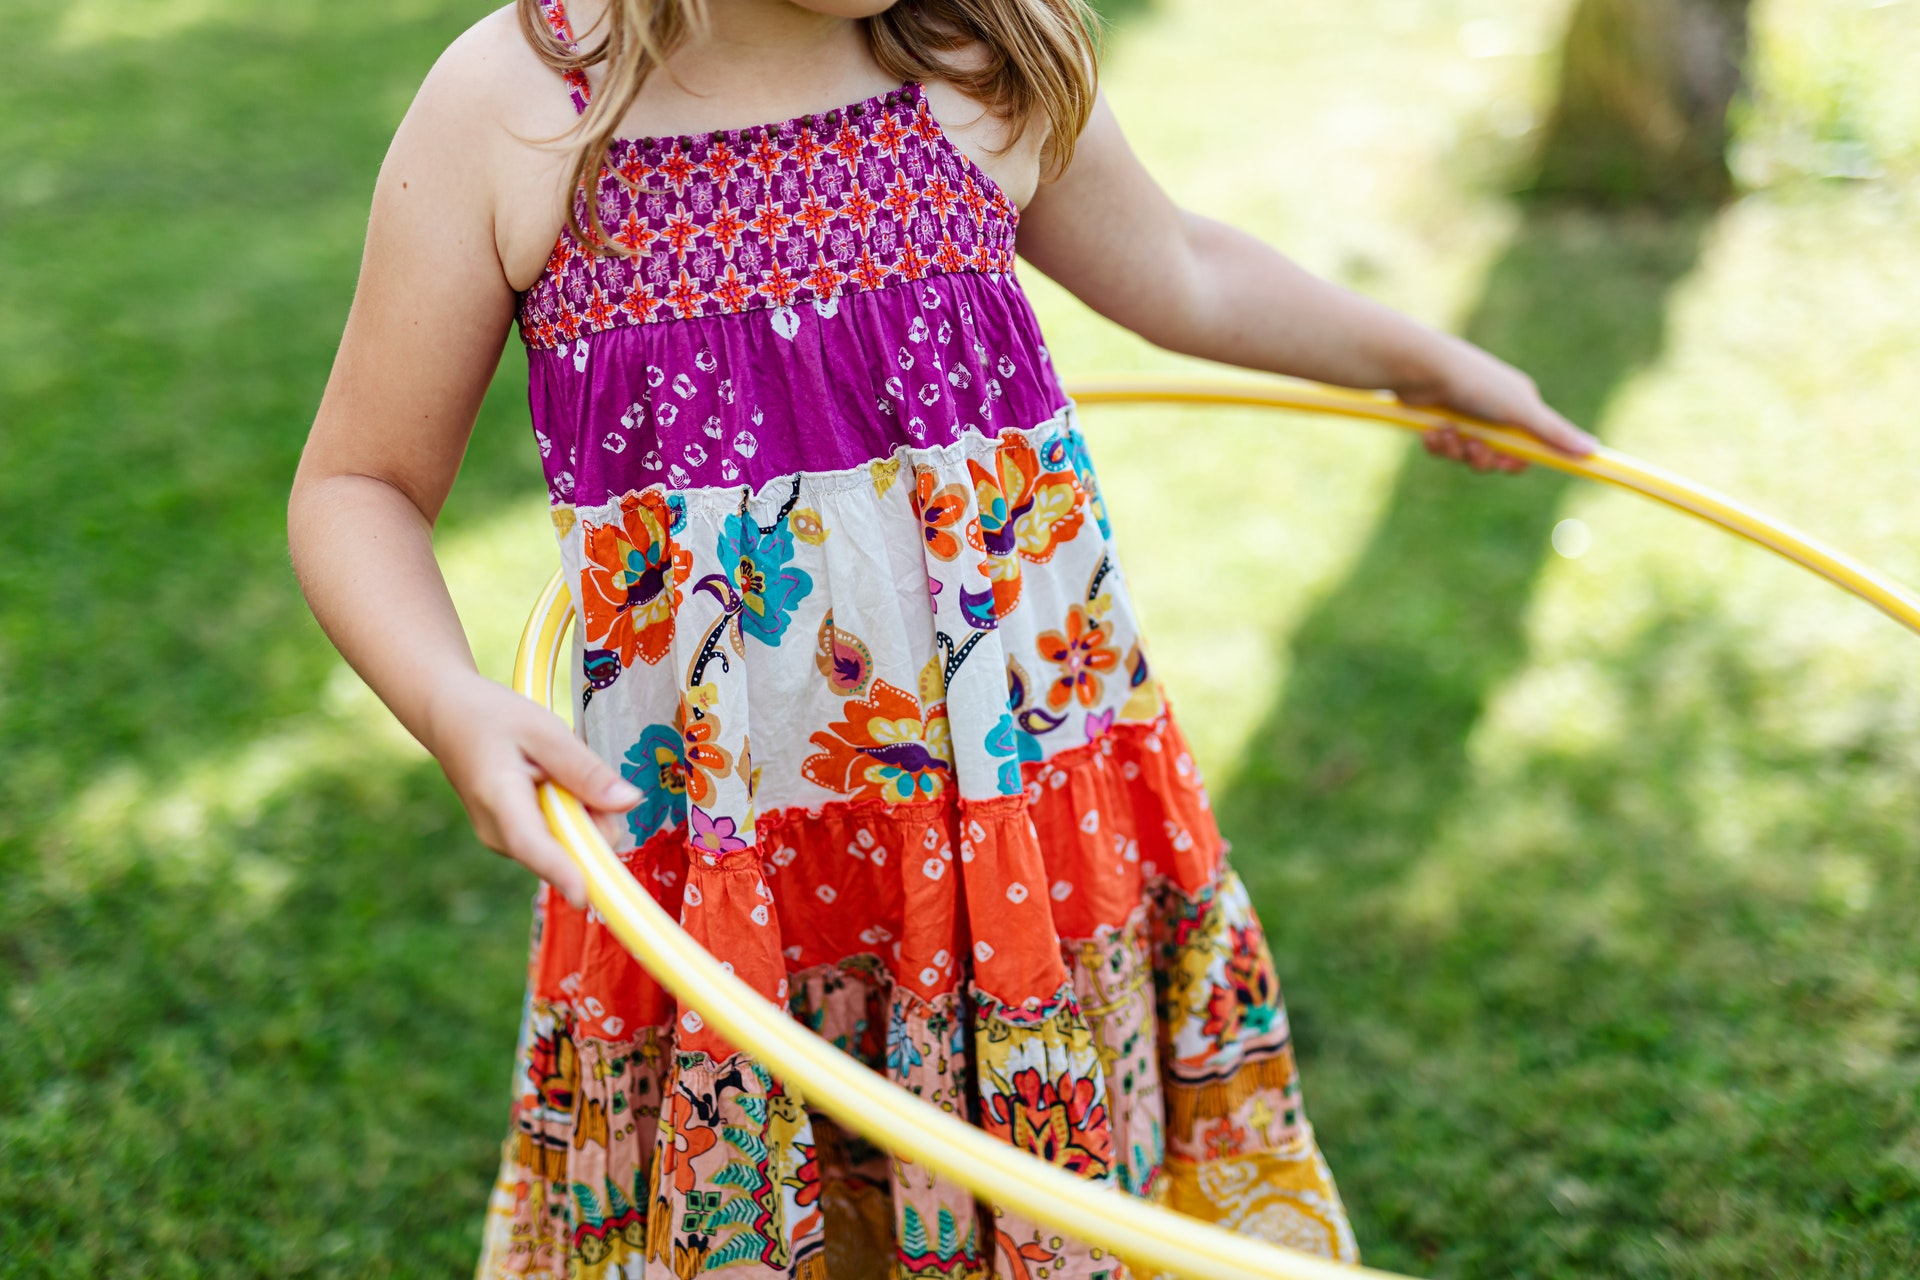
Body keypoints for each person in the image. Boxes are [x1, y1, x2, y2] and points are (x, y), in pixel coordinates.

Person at [288, 0, 1594, 1275]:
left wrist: (1428, 364)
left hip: (1020, 807)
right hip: (730, 839)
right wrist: (449, 701)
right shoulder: (520, 106)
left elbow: (1185, 269)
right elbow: (360, 484)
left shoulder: (984, 49)